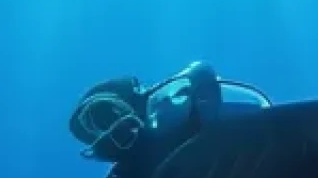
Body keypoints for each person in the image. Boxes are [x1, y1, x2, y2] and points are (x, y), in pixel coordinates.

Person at [68, 61, 226, 163]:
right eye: (99, 122)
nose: (111, 121)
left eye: (108, 111)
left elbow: (201, 71)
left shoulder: (167, 109)